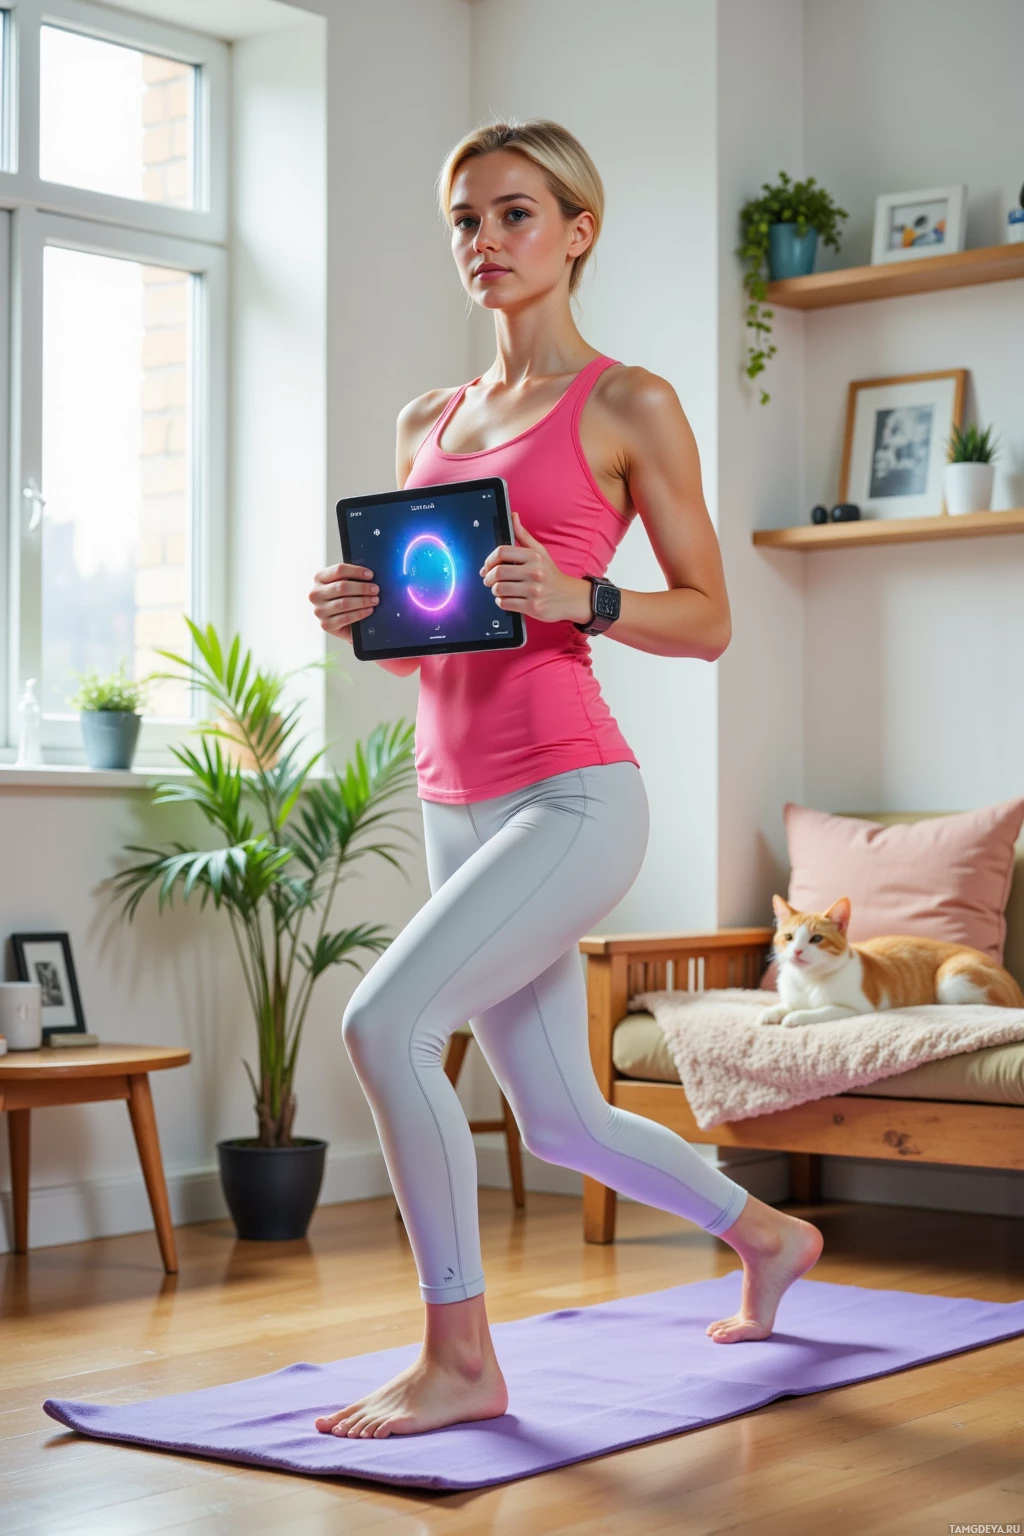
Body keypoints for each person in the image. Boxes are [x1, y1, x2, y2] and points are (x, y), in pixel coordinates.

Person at [307, 118, 822, 1441]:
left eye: (516, 214)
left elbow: (708, 618)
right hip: (452, 790)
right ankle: (767, 1235)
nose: (486, 242)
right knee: (560, 1120)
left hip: (574, 791)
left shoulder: (630, 401)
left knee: (384, 1025)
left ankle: (461, 1356)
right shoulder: (429, 416)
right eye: (467, 221)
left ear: (579, 229)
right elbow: (426, 645)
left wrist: (588, 595)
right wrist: (361, 609)